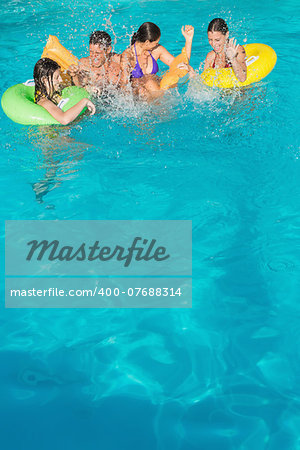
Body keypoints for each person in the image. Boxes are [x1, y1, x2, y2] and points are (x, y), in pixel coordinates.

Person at [120, 22, 194, 100]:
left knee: (151, 83)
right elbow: (124, 86)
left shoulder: (156, 50)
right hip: (140, 99)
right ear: (147, 42)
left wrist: (188, 40)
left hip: (158, 94)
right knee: (146, 87)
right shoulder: (128, 56)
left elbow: (181, 65)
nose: (157, 45)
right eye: (156, 43)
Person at [34, 58, 95, 125]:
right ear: (44, 80)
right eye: (57, 77)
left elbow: (75, 89)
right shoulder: (44, 102)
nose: (60, 80)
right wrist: (84, 101)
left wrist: (89, 89)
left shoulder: (56, 91)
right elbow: (64, 120)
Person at [203, 18, 247, 82]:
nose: (214, 44)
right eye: (210, 40)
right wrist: (191, 72)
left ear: (226, 35)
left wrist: (232, 59)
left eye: (217, 40)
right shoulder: (211, 56)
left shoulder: (238, 50)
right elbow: (204, 82)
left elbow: (242, 79)